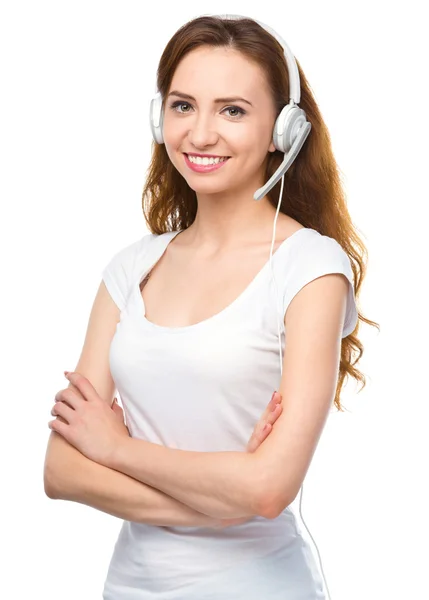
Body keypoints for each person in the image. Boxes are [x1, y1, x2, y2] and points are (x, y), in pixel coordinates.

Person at [44, 14, 378, 600]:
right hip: (130, 588)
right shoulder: (131, 269)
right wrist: (220, 505)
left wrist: (117, 449)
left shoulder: (310, 269)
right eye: (182, 106)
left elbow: (270, 489)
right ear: (160, 117)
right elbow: (62, 470)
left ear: (284, 129)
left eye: (232, 110)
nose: (199, 134)